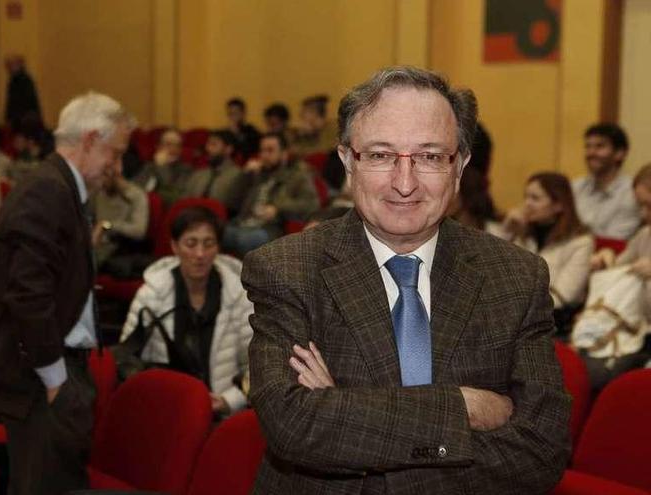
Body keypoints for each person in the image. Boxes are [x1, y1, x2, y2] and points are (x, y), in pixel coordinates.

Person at [242, 67, 570, 493]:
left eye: (430, 156)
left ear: (460, 165)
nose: (404, 183)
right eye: (380, 155)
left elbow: (542, 451)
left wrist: (347, 414)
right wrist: (463, 408)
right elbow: (296, 426)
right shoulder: (286, 269)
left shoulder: (517, 276)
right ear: (347, 161)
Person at [0, 92, 134, 494]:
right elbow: (27, 293)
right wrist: (56, 379)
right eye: (115, 153)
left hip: (50, 369)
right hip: (44, 375)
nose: (117, 166)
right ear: (91, 140)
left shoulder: (57, 185)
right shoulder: (49, 190)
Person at [120, 207, 253, 416]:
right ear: (174, 246)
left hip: (222, 413)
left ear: (218, 248)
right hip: (165, 410)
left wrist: (230, 400)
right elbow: (126, 358)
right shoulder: (151, 293)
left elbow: (259, 364)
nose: (200, 254)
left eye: (208, 244)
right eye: (191, 244)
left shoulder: (239, 296)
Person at [584, 163, 651, 390]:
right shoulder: (645, 234)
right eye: (640, 206)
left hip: (642, 334)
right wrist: (606, 256)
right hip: (632, 328)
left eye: (649, 207)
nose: (644, 215)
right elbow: (617, 273)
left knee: (600, 375)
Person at [503, 173, 594, 311]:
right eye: (526, 197)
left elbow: (564, 296)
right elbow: (497, 276)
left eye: (535, 198)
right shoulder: (524, 233)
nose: (527, 203)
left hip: (553, 317)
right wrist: (508, 231)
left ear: (558, 205)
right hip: (515, 310)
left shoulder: (581, 242)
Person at [223, 132, 319, 257]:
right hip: (243, 223)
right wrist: (244, 175)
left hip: (270, 229)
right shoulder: (255, 174)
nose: (264, 155)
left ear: (284, 154)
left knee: (245, 239)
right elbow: (230, 201)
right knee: (217, 232)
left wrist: (278, 209)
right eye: (262, 151)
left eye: (270, 151)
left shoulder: (297, 176)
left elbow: (311, 205)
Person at [572, 123, 640, 241]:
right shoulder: (575, 187)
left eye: (599, 146)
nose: (591, 153)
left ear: (620, 153)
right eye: (588, 146)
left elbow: (615, 240)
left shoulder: (632, 192)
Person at [90, 156, 150, 277]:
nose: (100, 183)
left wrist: (108, 225)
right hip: (98, 246)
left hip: (121, 249)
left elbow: (139, 230)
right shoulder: (99, 192)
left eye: (103, 177)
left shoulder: (135, 195)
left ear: (115, 175)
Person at [181, 129, 250, 215]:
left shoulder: (239, 175)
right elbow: (183, 203)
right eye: (208, 144)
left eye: (213, 144)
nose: (208, 148)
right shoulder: (198, 174)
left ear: (228, 149)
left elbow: (232, 209)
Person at [132, 128, 193, 206]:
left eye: (177, 145)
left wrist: (161, 167)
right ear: (158, 146)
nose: (173, 149)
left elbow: (174, 197)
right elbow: (134, 189)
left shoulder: (186, 170)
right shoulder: (149, 166)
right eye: (168, 144)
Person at [450, 166, 506, 238]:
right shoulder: (443, 232)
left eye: (453, 189)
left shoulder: (496, 233)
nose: (445, 195)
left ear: (467, 193)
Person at [4, 55, 43, 129]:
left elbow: (23, 101)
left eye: (11, 65)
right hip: (22, 119)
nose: (8, 68)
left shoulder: (23, 80)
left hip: (24, 120)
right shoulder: (15, 80)